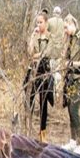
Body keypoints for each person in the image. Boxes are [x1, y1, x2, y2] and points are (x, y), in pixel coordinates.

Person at [61, 13, 80, 155]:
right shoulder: (71, 40)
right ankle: (73, 141)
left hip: (79, 80)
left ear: (72, 24)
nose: (65, 30)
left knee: (74, 111)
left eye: (66, 27)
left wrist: (73, 63)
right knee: (69, 111)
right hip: (70, 80)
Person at [26, 11, 53, 142]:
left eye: (41, 22)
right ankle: (28, 128)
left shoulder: (50, 36)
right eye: (37, 22)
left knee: (44, 103)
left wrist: (38, 55)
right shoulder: (35, 36)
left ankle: (42, 133)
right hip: (33, 70)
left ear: (46, 23)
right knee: (29, 97)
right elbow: (30, 52)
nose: (39, 24)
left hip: (44, 70)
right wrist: (32, 37)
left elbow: (47, 53)